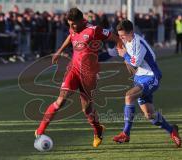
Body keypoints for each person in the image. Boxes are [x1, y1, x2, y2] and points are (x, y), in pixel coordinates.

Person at [35, 8, 122, 148]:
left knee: (87, 109)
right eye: (69, 24)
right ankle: (39, 131)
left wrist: (125, 55)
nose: (71, 27)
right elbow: (71, 35)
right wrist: (59, 52)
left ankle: (98, 130)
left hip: (89, 75)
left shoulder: (94, 30)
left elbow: (115, 38)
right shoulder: (73, 28)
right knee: (60, 101)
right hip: (73, 70)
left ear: (81, 21)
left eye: (73, 24)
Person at [113, 20, 182, 148]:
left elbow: (134, 63)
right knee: (150, 115)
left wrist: (125, 55)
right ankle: (172, 130)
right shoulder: (126, 41)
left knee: (128, 96)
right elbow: (120, 56)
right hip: (140, 78)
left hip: (151, 77)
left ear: (131, 33)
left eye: (123, 35)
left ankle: (125, 133)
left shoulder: (137, 43)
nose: (121, 38)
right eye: (120, 35)